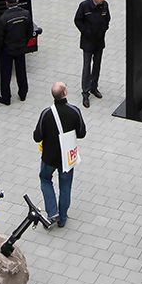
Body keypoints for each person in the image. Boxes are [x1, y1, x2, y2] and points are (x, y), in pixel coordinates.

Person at [33, 82, 87, 227]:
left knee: (45, 179)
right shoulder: (74, 111)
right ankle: (62, 218)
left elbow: (37, 136)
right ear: (65, 92)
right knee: (65, 186)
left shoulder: (46, 113)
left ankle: (52, 212)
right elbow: (82, 133)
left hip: (49, 157)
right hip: (67, 158)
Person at [74, 0, 110, 106]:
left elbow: (107, 19)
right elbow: (77, 20)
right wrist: (86, 31)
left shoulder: (104, 5)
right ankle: (85, 92)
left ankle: (94, 87)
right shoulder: (84, 6)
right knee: (87, 67)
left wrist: (104, 29)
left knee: (97, 65)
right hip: (88, 42)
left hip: (99, 41)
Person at [0, 0, 36, 104]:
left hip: (7, 50)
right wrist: (24, 43)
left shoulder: (3, 18)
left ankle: (6, 98)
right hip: (20, 48)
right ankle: (23, 94)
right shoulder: (25, 14)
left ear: (6, 3)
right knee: (21, 71)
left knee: (6, 74)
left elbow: (0, 37)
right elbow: (30, 31)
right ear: (17, 1)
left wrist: (0, 49)